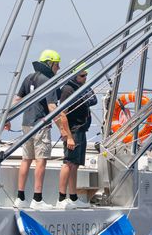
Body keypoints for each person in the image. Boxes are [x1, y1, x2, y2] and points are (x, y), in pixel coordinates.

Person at [9, 49, 72, 210]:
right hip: (40, 125)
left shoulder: (28, 78)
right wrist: (63, 131)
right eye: (57, 65)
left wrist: (7, 118)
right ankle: (37, 199)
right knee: (41, 160)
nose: (58, 68)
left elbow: (17, 100)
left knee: (26, 159)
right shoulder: (47, 81)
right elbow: (52, 107)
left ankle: (20, 197)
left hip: (26, 124)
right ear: (50, 63)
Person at [56, 66, 97, 209]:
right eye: (82, 76)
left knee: (75, 164)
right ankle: (61, 198)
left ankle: (73, 197)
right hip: (73, 130)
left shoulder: (82, 88)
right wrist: (68, 136)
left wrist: (84, 85)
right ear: (74, 76)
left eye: (86, 75)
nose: (85, 78)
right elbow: (62, 114)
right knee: (68, 162)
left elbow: (93, 99)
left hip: (81, 130)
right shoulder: (68, 90)